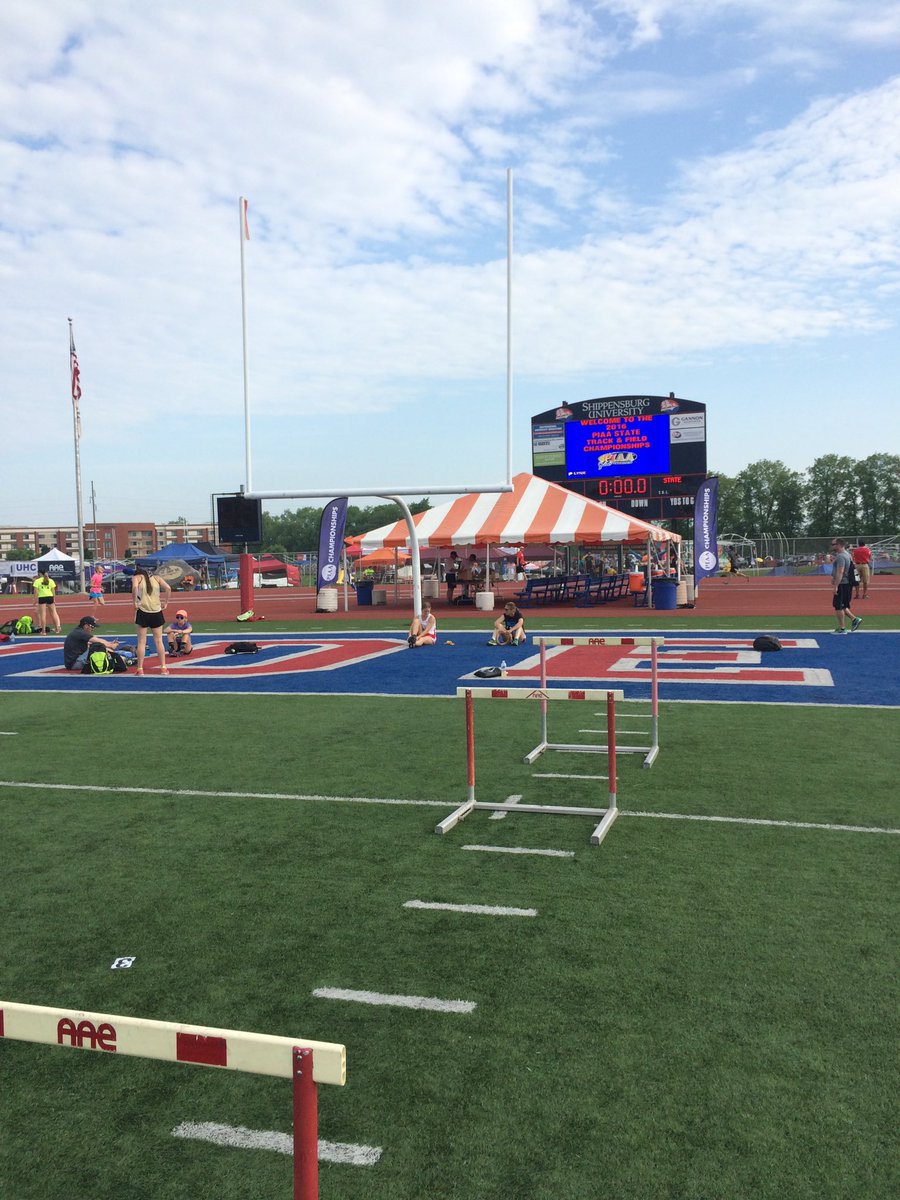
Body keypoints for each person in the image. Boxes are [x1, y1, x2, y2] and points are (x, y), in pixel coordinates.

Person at [132, 565, 173, 674]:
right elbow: (168, 588)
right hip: (156, 611)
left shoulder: (137, 578)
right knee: (159, 641)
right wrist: (166, 602)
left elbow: (135, 588)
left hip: (143, 611)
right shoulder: (157, 578)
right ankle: (163, 667)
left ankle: (140, 669)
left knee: (141, 641)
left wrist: (135, 602)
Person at [830, 538, 862, 634]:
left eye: (833, 544)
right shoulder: (847, 554)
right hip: (846, 583)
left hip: (842, 583)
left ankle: (842, 628)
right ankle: (854, 619)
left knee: (838, 606)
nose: (832, 546)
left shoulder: (841, 556)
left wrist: (836, 585)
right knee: (843, 605)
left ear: (839, 545)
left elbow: (841, 571)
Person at [33, 570, 61, 634]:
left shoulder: (37, 581)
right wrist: (54, 599)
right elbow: (53, 591)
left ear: (40, 574)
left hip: (42, 597)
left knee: (43, 614)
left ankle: (43, 631)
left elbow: (36, 592)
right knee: (53, 613)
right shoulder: (50, 580)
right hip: (50, 597)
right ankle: (57, 629)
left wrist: (35, 600)